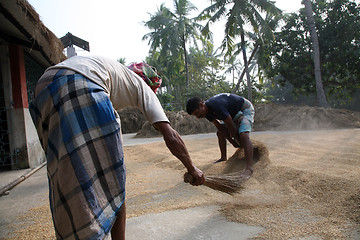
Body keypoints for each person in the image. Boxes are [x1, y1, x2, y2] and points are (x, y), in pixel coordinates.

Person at [30, 56, 205, 240]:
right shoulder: (141, 85)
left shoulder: (111, 72)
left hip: (43, 88)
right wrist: (192, 168)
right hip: (81, 84)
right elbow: (170, 134)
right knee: (115, 182)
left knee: (65, 174)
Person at [186, 93, 255, 175]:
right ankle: (223, 157)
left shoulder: (216, 106)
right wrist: (233, 142)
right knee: (219, 133)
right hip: (232, 114)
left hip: (244, 108)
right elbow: (220, 127)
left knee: (243, 135)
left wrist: (238, 143)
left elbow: (231, 127)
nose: (198, 117)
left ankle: (249, 168)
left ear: (201, 105)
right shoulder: (206, 113)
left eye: (197, 113)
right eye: (195, 115)